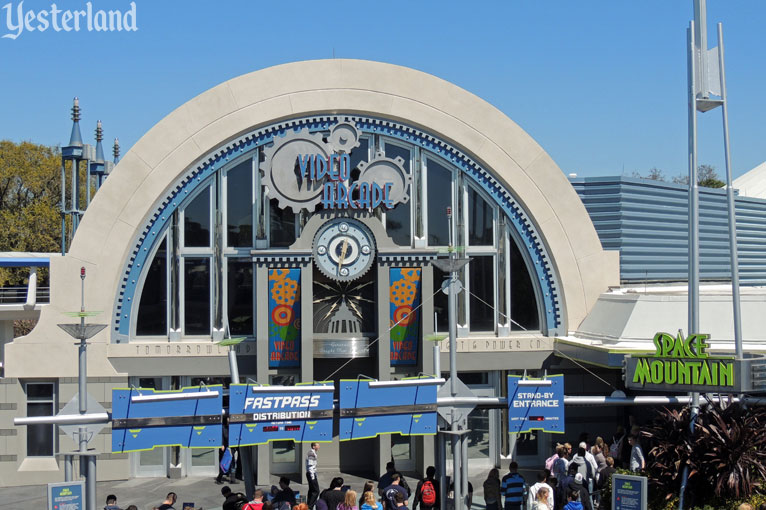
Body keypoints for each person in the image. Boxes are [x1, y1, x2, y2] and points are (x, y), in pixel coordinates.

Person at [307, 442, 321, 509]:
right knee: (316, 491)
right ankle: (310, 506)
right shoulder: (311, 453)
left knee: (312, 490)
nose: (319, 447)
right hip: (311, 473)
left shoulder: (312, 453)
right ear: (313, 446)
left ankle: (308, 505)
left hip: (311, 473)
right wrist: (312, 476)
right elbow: (310, 465)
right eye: (317, 446)